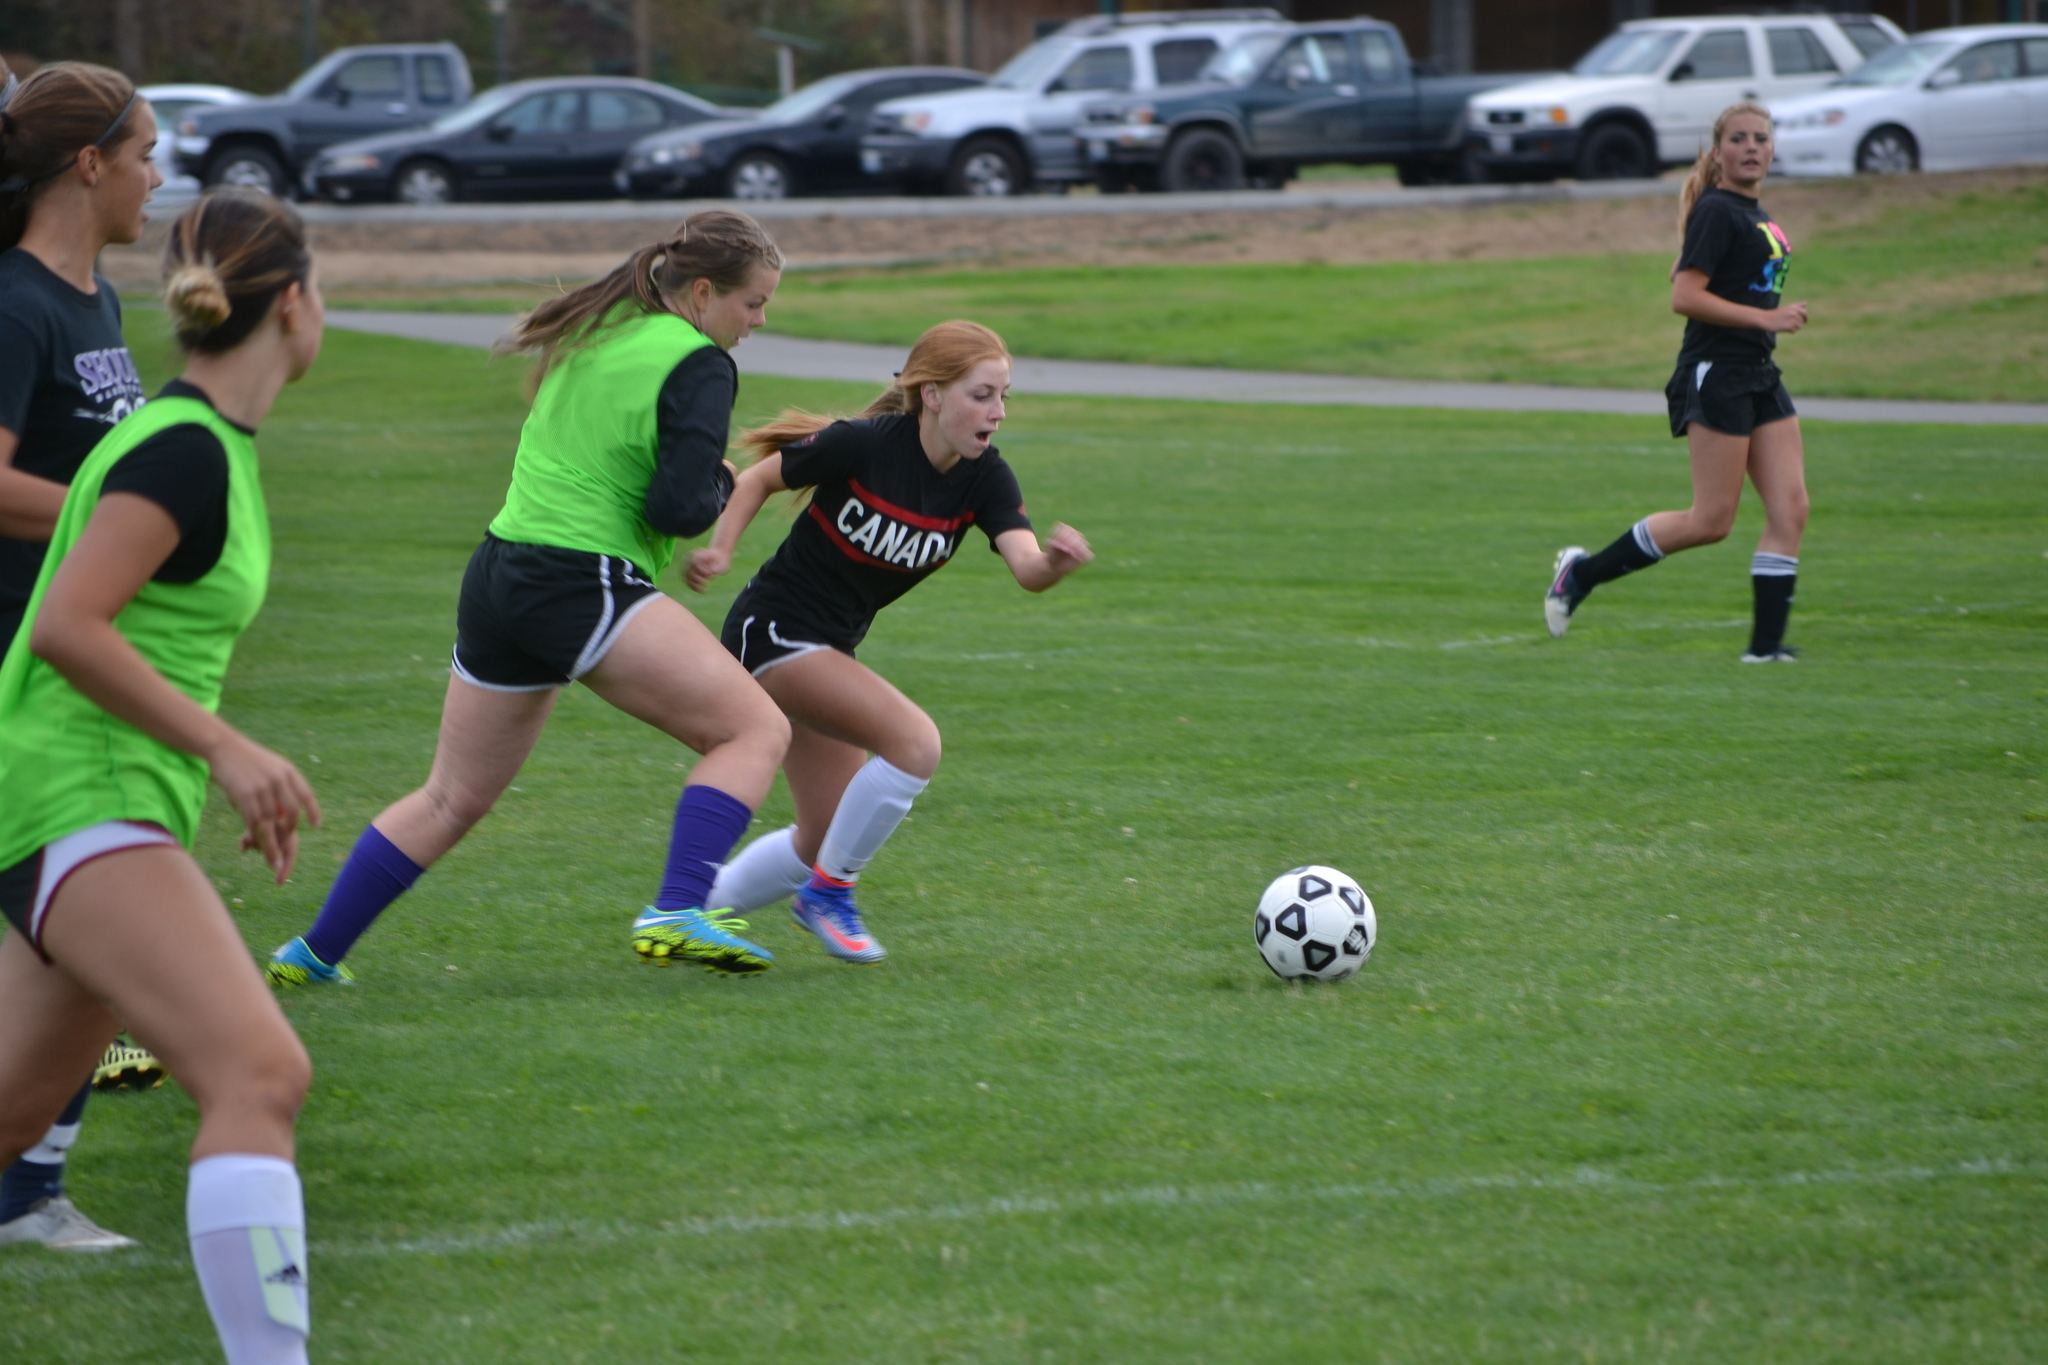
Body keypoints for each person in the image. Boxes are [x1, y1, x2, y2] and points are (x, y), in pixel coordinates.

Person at [266, 210, 793, 986]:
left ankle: (310, 954)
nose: (758, 322)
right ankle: (678, 908)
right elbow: (679, 508)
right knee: (754, 729)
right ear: (704, 292)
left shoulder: (603, 326)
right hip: (578, 577)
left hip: (501, 572)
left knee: (451, 796)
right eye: (753, 304)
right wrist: (720, 479)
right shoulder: (699, 361)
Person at [0, 188, 327, 1363]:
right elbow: (69, 628)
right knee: (258, 1071)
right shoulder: (183, 448)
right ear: (292, 305)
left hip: (64, 799)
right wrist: (226, 748)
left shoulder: (197, 442)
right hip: (83, 794)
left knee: (13, 1118)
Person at [687, 321, 1093, 963]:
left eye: (1004, 396)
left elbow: (1027, 569)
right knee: (915, 743)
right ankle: (830, 896)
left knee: (820, 838)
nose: (999, 412)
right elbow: (760, 478)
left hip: (827, 649)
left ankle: (687, 915)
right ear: (931, 394)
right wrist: (720, 549)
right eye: (983, 395)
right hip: (771, 631)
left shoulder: (985, 478)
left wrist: (1058, 563)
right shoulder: (865, 444)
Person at [0, 57, 169, 1256]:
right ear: (89, 161)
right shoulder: (16, 304)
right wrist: (116, 524)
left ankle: (28, 1192)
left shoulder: (97, 303)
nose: (159, 176)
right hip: (17, 671)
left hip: (73, 671)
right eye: (147, 152)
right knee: (88, 937)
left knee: (69, 949)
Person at [1544, 101, 1809, 662]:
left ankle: (1764, 653)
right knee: (1711, 520)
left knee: (1791, 510)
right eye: (1739, 139)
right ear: (1718, 153)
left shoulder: (1746, 212)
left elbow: (1710, 269)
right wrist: (1765, 318)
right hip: (1718, 374)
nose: (1753, 147)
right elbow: (1684, 297)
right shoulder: (1719, 209)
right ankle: (1582, 573)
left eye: (1761, 138)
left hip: (1759, 372)